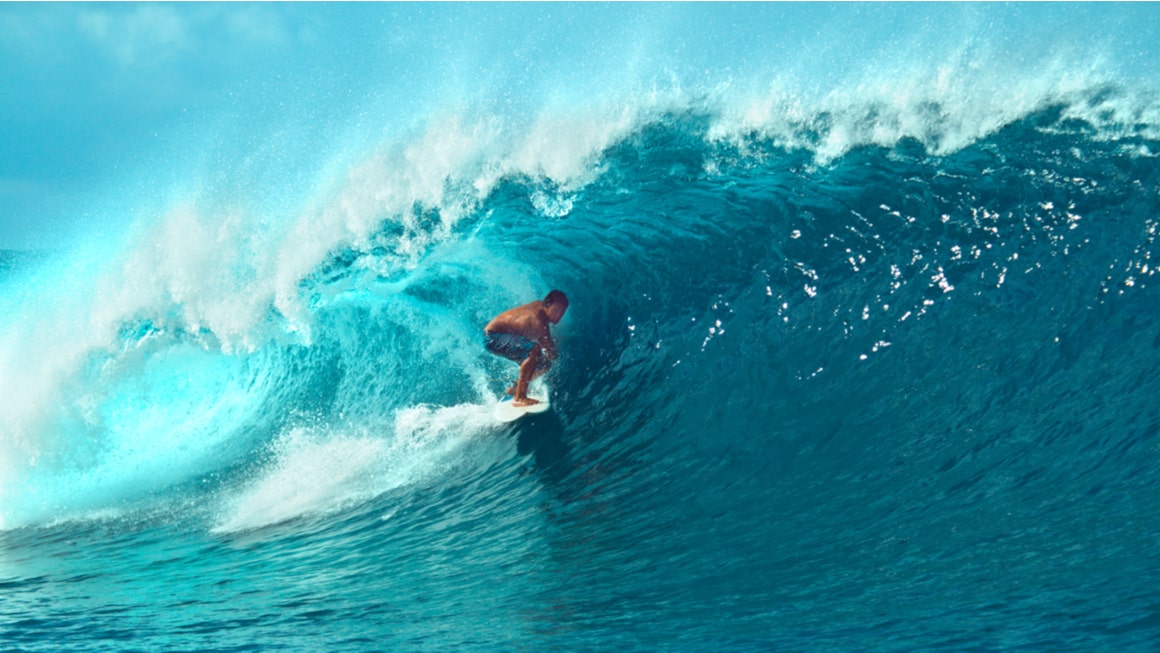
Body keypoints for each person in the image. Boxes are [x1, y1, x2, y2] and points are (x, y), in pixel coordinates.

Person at [484, 290, 568, 406]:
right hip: (492, 337)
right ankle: (519, 398)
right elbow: (551, 352)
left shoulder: (540, 305)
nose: (558, 315)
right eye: (556, 310)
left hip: (500, 337)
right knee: (533, 350)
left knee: (543, 364)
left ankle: (515, 389)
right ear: (547, 305)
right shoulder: (538, 321)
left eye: (562, 312)